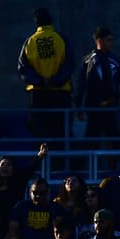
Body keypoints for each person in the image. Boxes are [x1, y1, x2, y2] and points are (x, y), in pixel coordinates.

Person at [20, 8, 74, 145]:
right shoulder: (61, 39)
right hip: (60, 93)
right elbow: (70, 63)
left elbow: (23, 68)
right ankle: (60, 164)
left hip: (37, 95)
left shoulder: (30, 42)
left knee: (39, 133)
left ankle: (41, 164)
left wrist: (40, 81)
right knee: (61, 133)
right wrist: (55, 80)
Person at [76, 26, 120, 150]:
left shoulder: (116, 61)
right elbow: (81, 85)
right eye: (108, 40)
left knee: (114, 141)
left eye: (112, 40)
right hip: (94, 108)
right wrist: (78, 107)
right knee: (91, 140)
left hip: (111, 107)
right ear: (99, 41)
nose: (111, 43)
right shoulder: (87, 61)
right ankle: (79, 167)